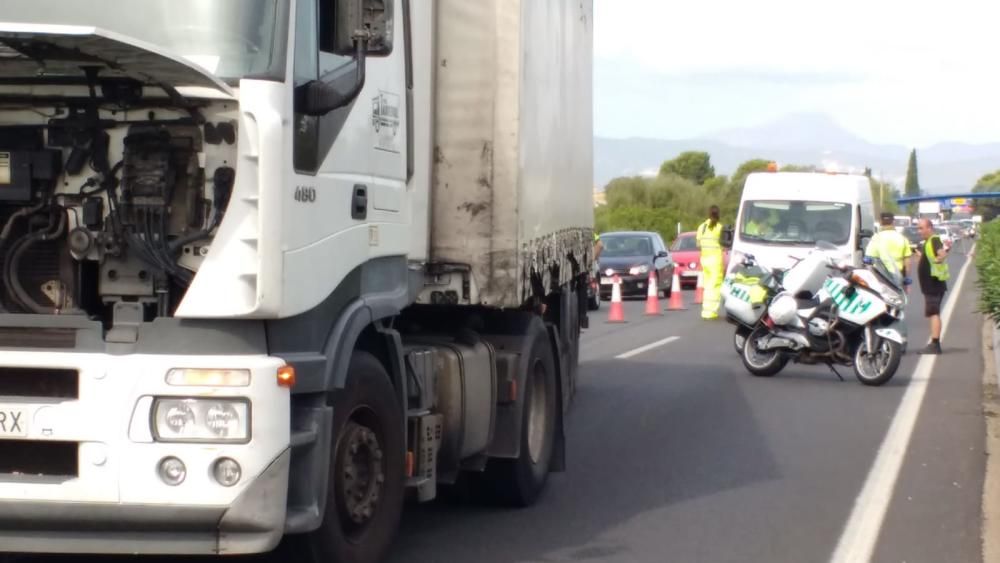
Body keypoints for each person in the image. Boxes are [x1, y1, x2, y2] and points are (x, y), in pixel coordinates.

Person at [914, 218, 950, 354]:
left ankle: (935, 344)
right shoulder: (928, 242)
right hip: (931, 285)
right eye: (918, 228)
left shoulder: (934, 240)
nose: (919, 231)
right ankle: (935, 343)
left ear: (929, 228)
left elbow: (941, 254)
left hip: (933, 284)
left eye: (921, 228)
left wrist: (939, 258)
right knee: (933, 313)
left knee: (933, 313)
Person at [865, 212, 912, 284]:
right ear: (893, 222)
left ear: (881, 222)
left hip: (880, 277)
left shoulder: (876, 238)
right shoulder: (902, 238)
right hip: (898, 276)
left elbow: (868, 258)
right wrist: (907, 278)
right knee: (899, 295)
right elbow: (907, 263)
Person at [697, 205, 724, 319]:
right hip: (715, 260)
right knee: (714, 286)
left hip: (704, 260)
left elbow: (698, 244)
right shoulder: (719, 227)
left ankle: (706, 310)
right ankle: (710, 311)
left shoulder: (702, 227)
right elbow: (724, 243)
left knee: (707, 285)